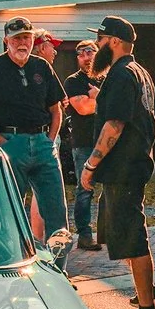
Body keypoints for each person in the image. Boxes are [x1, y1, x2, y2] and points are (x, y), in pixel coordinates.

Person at [81, 14, 155, 309]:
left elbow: (114, 125)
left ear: (113, 41)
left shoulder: (120, 75)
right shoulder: (139, 72)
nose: (97, 45)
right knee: (126, 232)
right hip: (133, 165)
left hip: (124, 168)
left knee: (133, 236)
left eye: (100, 39)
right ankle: (150, 292)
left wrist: (90, 165)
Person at [0, 16, 65, 242]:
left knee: (56, 212)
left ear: (33, 40)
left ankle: (59, 267)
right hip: (11, 142)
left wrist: (50, 139)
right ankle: (15, 263)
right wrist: (2, 142)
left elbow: (56, 109)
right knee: (10, 210)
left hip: (42, 143)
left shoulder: (42, 66)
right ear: (6, 40)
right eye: (17, 38)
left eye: (27, 38)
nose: (23, 43)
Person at [62, 39, 104, 249]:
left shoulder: (108, 78)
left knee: (111, 187)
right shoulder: (73, 81)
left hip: (109, 141)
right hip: (84, 143)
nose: (87, 57)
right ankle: (85, 235)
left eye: (90, 52)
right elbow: (83, 109)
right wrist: (104, 100)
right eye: (81, 54)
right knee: (85, 188)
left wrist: (97, 97)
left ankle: (107, 231)